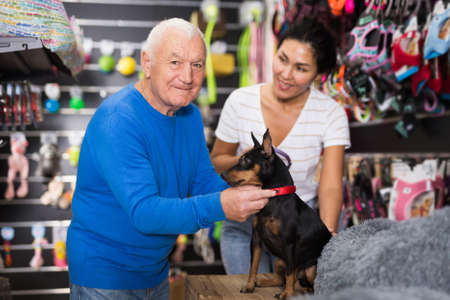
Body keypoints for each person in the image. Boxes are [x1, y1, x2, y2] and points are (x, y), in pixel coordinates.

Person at [67, 18, 275, 300]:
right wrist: (222, 205)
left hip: (155, 270)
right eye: (175, 62)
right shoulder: (118, 121)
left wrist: (245, 197)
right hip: (105, 276)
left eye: (197, 64)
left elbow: (202, 179)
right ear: (147, 63)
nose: (187, 77)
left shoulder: (187, 115)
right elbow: (144, 212)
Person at [210, 18, 351, 275]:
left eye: (301, 68)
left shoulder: (331, 113)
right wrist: (245, 162)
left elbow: (330, 184)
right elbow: (217, 159)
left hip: (296, 229)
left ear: (318, 74)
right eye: (283, 59)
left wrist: (325, 236)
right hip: (245, 228)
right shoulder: (240, 101)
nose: (286, 74)